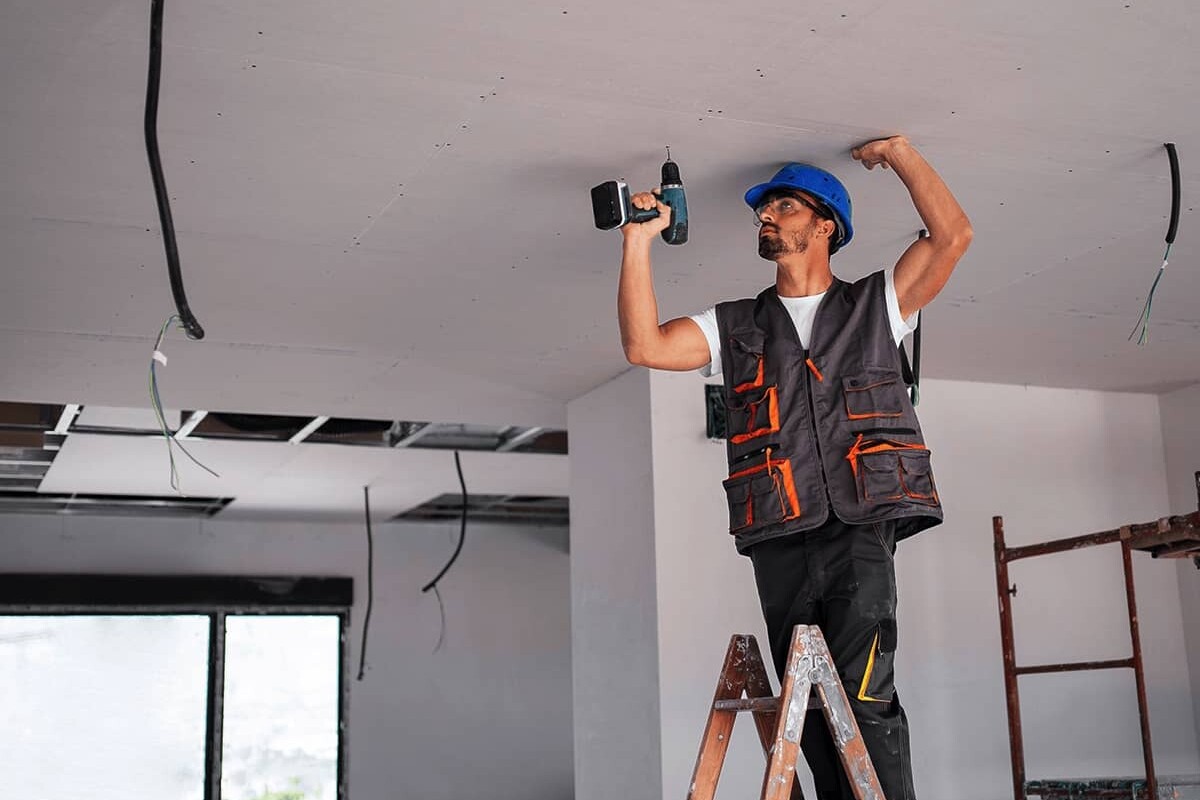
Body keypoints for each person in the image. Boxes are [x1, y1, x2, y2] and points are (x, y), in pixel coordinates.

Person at [616, 135, 972, 800]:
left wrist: (899, 153)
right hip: (779, 534)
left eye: (782, 206)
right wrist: (638, 241)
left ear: (825, 224)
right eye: (763, 210)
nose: (765, 217)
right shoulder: (738, 326)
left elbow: (953, 235)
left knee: (864, 699)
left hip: (860, 529)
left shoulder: (877, 305)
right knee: (805, 710)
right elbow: (645, 345)